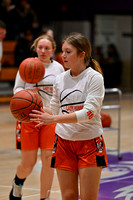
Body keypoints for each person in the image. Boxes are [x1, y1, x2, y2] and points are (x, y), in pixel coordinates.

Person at [30, 32, 108, 200]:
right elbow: (55, 109)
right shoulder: (60, 79)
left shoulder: (94, 78)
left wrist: (54, 119)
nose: (62, 55)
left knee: (88, 197)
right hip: (64, 142)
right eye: (62, 51)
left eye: (68, 52)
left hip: (89, 142)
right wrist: (36, 111)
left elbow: (88, 113)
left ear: (82, 54)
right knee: (69, 196)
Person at [9, 34, 64, 200]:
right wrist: (26, 97)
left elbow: (60, 95)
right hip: (29, 118)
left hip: (49, 118)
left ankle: (44, 198)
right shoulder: (27, 65)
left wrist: (56, 114)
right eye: (40, 47)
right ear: (35, 48)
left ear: (53, 50)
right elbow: (17, 89)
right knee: (28, 164)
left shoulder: (59, 69)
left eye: (47, 48)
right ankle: (18, 183)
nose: (43, 50)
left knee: (48, 160)